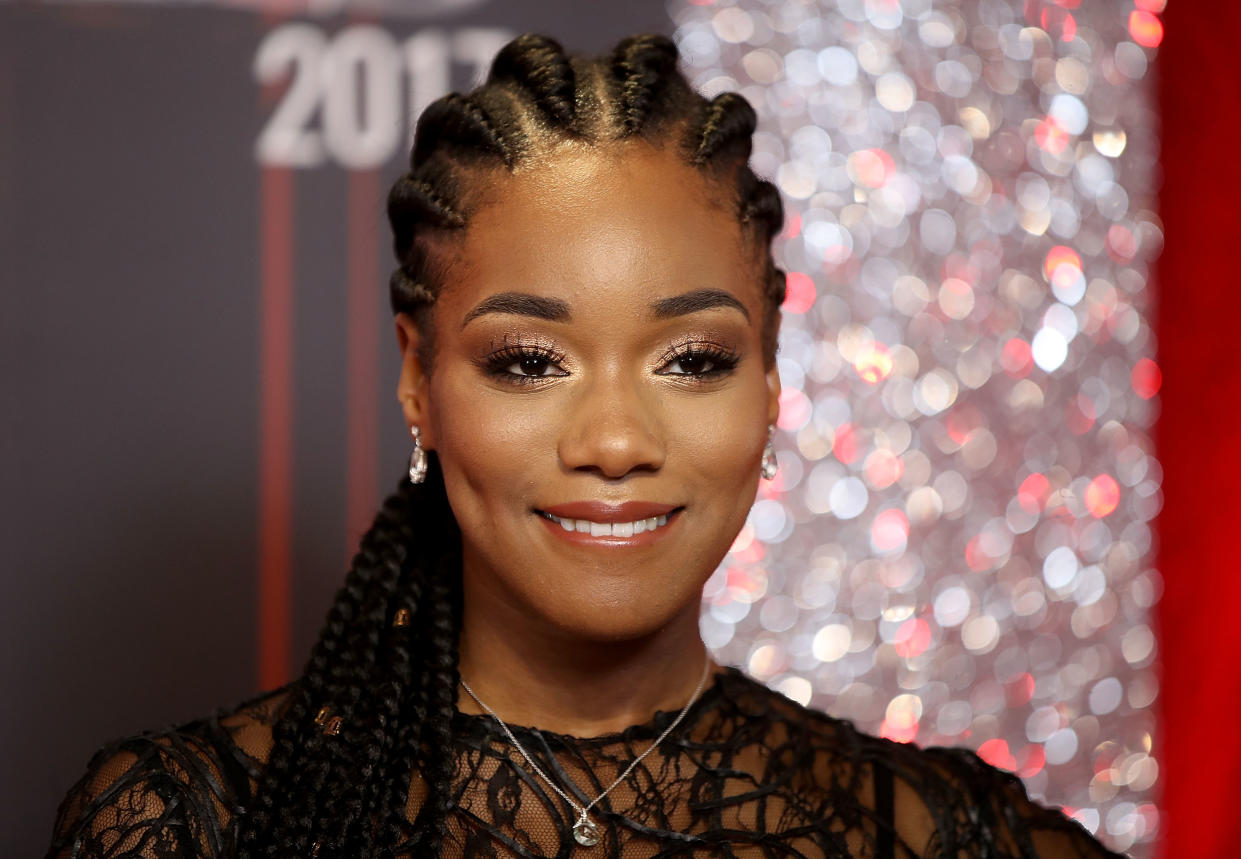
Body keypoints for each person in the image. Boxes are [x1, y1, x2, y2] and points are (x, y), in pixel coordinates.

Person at [47, 33, 1120, 859]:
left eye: (692, 359)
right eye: (528, 360)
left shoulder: (941, 835)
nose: (614, 440)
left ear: (771, 380)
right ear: (417, 377)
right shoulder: (186, 823)